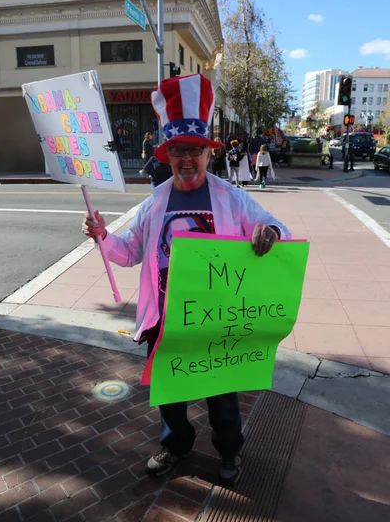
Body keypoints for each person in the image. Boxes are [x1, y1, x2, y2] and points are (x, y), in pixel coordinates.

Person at [82, 73, 291, 487]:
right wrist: (104, 237)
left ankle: (229, 451)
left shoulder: (231, 197)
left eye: (195, 150)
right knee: (171, 398)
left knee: (223, 399)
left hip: (216, 320)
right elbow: (130, 253)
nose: (187, 159)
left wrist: (270, 234)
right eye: (179, 151)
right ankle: (176, 446)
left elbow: (272, 225)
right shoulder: (155, 201)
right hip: (165, 320)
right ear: (168, 155)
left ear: (207, 154)